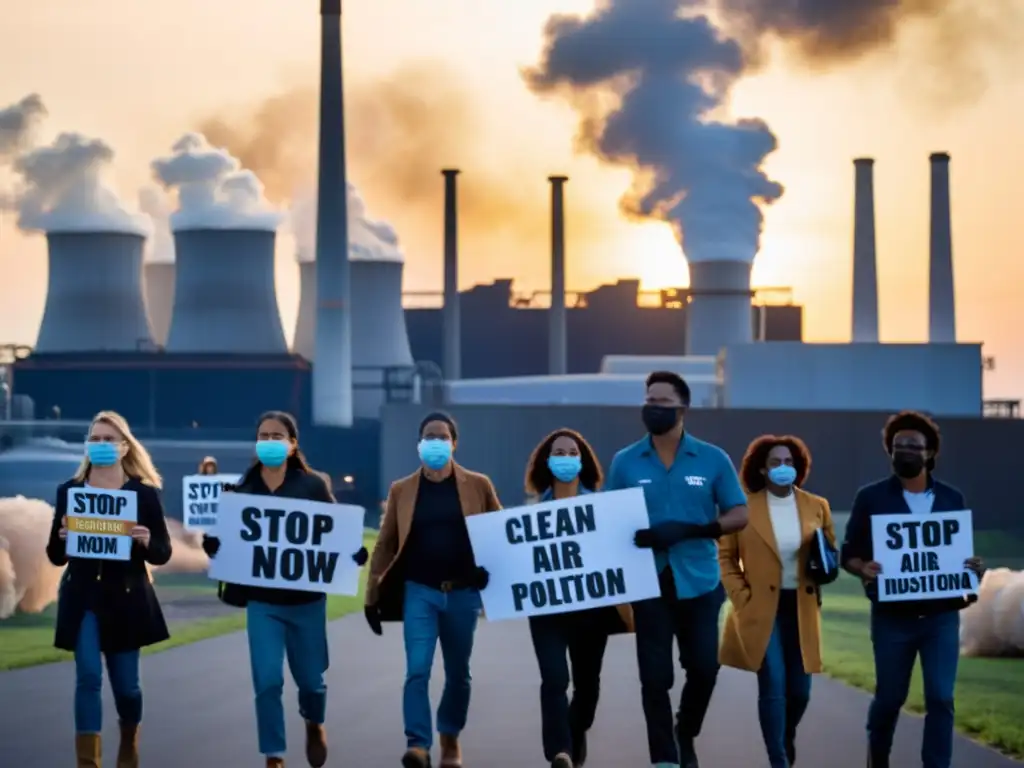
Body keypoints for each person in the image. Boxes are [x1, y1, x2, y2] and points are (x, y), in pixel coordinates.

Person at [202, 411, 368, 768]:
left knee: (311, 683)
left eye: (278, 436)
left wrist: (354, 552)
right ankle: (274, 755)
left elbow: (335, 532)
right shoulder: (242, 491)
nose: (270, 442)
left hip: (306, 602)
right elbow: (226, 540)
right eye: (263, 435)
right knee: (267, 680)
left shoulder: (312, 485)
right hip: (263, 603)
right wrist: (214, 546)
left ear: (293, 444)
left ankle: (313, 723)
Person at [605, 371, 749, 768]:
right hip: (647, 580)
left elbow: (739, 513)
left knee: (703, 667)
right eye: (648, 400)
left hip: (700, 580)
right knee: (654, 678)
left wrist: (700, 529)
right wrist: (632, 537)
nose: (653, 407)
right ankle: (665, 758)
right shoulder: (625, 461)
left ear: (683, 408)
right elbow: (605, 518)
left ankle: (684, 730)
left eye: (662, 402)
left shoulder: (712, 458)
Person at [840, 410, 985, 768]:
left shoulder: (951, 498)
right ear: (889, 451)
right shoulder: (871, 497)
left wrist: (971, 569)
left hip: (940, 616)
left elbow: (959, 555)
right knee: (889, 698)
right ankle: (879, 760)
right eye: (897, 446)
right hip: (893, 617)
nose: (904, 451)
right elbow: (849, 554)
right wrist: (863, 568)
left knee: (940, 697)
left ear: (930, 453)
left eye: (913, 446)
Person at [364, 411, 501, 768]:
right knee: (417, 669)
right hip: (419, 592)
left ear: (454, 443)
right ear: (419, 443)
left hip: (462, 594)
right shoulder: (402, 489)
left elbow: (501, 534)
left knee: (459, 674)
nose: (435, 442)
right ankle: (418, 745)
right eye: (429, 435)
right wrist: (371, 597)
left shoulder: (479, 485)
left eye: (442, 436)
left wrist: (493, 573)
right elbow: (385, 544)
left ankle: (450, 738)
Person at [45, 410, 173, 768]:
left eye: (109, 439)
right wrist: (63, 539)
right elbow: (55, 557)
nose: (101, 445)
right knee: (88, 677)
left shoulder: (142, 495)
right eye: (95, 439)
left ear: (123, 447)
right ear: (88, 446)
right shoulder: (70, 492)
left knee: (127, 687)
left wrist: (148, 542)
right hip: (82, 597)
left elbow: (163, 553)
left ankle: (130, 737)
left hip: (126, 599)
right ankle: (89, 761)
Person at [718, 435, 836, 768]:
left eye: (789, 462)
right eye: (775, 462)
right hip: (760, 609)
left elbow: (830, 553)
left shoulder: (817, 506)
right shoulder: (743, 508)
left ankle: (784, 737)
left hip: (801, 608)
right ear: (761, 468)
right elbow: (725, 558)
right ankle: (778, 760)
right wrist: (742, 597)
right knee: (773, 684)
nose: (783, 468)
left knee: (800, 692)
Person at [523, 428, 634, 768]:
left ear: (583, 461)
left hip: (591, 613)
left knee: (587, 689)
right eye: (560, 452)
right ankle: (560, 752)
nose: (567, 458)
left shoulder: (603, 510)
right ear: (547, 460)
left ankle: (573, 738)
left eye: (573, 453)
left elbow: (620, 558)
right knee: (555, 679)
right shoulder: (529, 516)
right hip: (547, 612)